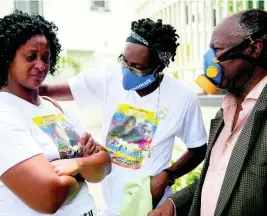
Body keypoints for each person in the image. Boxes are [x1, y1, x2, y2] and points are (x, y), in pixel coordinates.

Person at [40, 18, 208, 216]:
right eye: (124, 61)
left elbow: (198, 148)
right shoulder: (109, 79)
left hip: (151, 207)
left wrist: (168, 175)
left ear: (157, 67)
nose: (126, 70)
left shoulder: (182, 98)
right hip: (111, 207)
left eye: (136, 67)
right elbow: (50, 90)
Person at [148, 9, 267, 216]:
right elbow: (220, 179)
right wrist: (173, 205)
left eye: (217, 49)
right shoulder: (226, 110)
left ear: (254, 49)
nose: (209, 59)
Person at [0, 11, 111, 216]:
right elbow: (48, 195)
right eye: (31, 57)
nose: (41, 65)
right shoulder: (1, 116)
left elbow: (105, 163)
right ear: (7, 58)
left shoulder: (51, 106)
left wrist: (75, 164)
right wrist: (84, 172)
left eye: (45, 57)